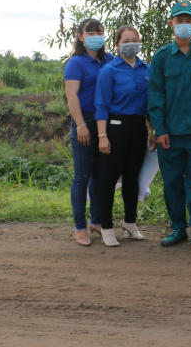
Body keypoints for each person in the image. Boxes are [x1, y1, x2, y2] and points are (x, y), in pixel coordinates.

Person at [148, 2, 191, 251]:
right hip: (170, 134)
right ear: (171, 23)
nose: (184, 24)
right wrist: (159, 130)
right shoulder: (161, 57)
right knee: (172, 182)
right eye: (179, 20)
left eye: (189, 20)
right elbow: (155, 96)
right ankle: (178, 227)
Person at [94, 25, 150, 247]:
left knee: (132, 178)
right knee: (109, 179)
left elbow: (152, 102)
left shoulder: (147, 69)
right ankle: (106, 228)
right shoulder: (109, 70)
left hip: (139, 129)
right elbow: (101, 105)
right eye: (126, 41)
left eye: (134, 40)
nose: (131, 44)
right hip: (115, 128)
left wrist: (154, 130)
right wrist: (102, 136)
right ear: (117, 45)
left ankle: (130, 223)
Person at [64, 18, 110, 246]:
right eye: (90, 33)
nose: (95, 36)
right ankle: (80, 227)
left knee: (100, 175)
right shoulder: (76, 63)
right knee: (82, 176)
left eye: (99, 32)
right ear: (81, 37)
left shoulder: (109, 60)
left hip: (105, 123)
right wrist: (80, 125)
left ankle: (97, 221)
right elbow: (71, 95)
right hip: (85, 121)